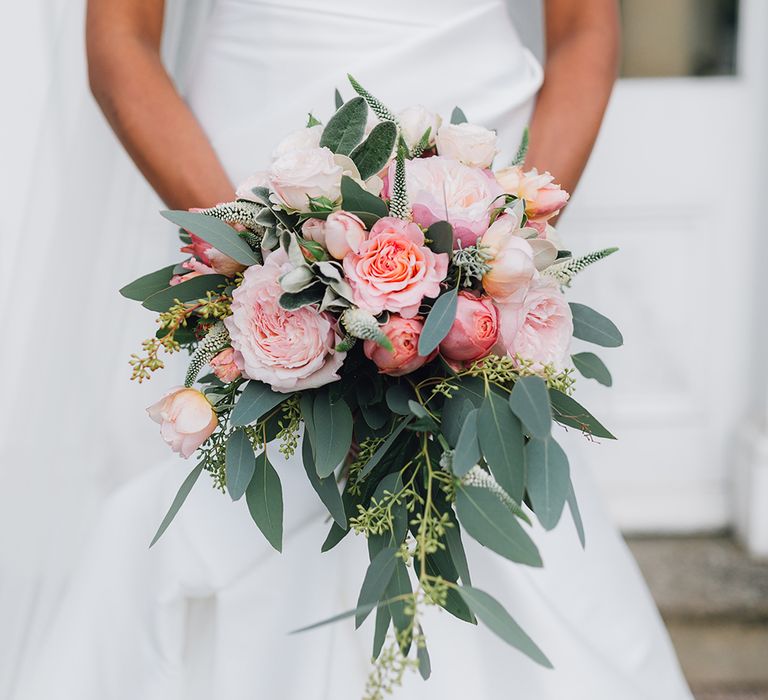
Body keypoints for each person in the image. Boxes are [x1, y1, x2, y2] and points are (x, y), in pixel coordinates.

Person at [10, 0, 695, 698]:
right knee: (249, 471)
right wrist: (257, 257)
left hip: (475, 144)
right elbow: (120, 39)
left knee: (484, 465)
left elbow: (585, 28)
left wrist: (506, 235)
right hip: (252, 151)